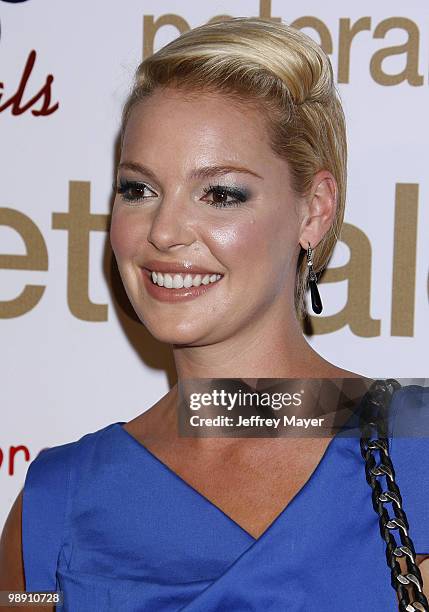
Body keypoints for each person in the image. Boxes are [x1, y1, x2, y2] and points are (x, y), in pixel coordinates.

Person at [1, 16, 428, 611]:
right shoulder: (56, 502)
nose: (165, 232)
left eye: (222, 193)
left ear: (315, 210)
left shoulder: (418, 450)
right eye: (138, 189)